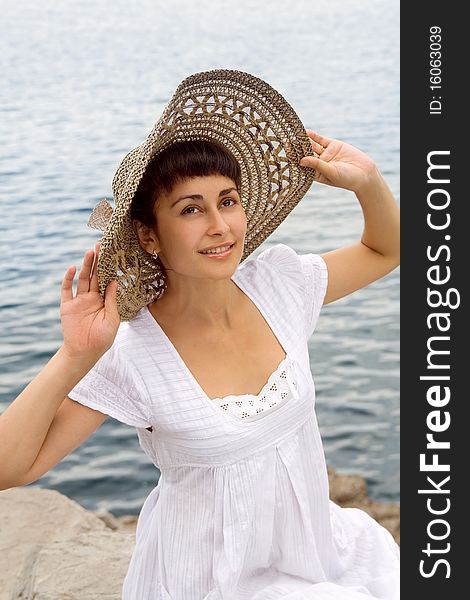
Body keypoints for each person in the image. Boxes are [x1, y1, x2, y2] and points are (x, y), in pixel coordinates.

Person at [0, 70, 400, 599]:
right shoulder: (136, 351)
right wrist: (74, 355)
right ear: (149, 233)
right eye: (191, 209)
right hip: (206, 582)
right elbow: (12, 467)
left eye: (227, 200)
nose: (220, 225)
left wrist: (368, 181)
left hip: (313, 556)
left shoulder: (278, 284)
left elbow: (386, 250)